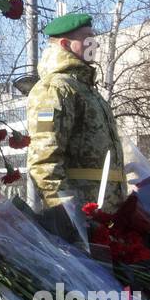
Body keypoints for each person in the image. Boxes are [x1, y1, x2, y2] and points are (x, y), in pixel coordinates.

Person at [25, 12, 125, 210]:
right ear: (64, 44)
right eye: (87, 38)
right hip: (85, 218)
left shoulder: (87, 90)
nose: (94, 44)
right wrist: (68, 216)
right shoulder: (54, 88)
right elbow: (44, 162)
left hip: (107, 214)